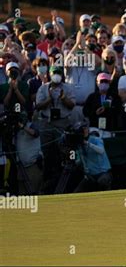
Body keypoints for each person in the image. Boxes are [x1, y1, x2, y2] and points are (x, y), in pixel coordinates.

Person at [35, 65, 76, 193]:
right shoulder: (43, 88)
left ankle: (62, 187)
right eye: (54, 73)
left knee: (62, 154)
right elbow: (38, 106)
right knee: (48, 155)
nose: (56, 75)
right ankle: (46, 186)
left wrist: (63, 98)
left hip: (62, 123)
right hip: (47, 123)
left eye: (58, 73)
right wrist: (49, 98)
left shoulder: (68, 88)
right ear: (50, 74)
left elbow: (72, 105)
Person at [73, 122, 113, 193]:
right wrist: (72, 159)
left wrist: (88, 143)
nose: (85, 130)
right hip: (90, 175)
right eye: (82, 129)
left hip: (103, 173)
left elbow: (101, 151)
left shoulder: (96, 139)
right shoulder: (78, 144)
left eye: (85, 128)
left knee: (103, 182)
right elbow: (78, 161)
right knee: (77, 192)